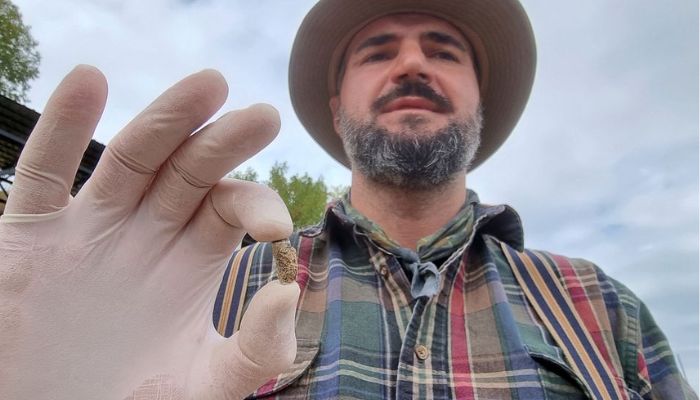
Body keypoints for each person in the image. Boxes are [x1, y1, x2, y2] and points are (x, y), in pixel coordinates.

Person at [0, 2, 694, 400]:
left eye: (445, 50)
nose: (413, 63)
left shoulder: (601, 305)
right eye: (379, 50)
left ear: (479, 101)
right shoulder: (211, 288)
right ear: (337, 110)